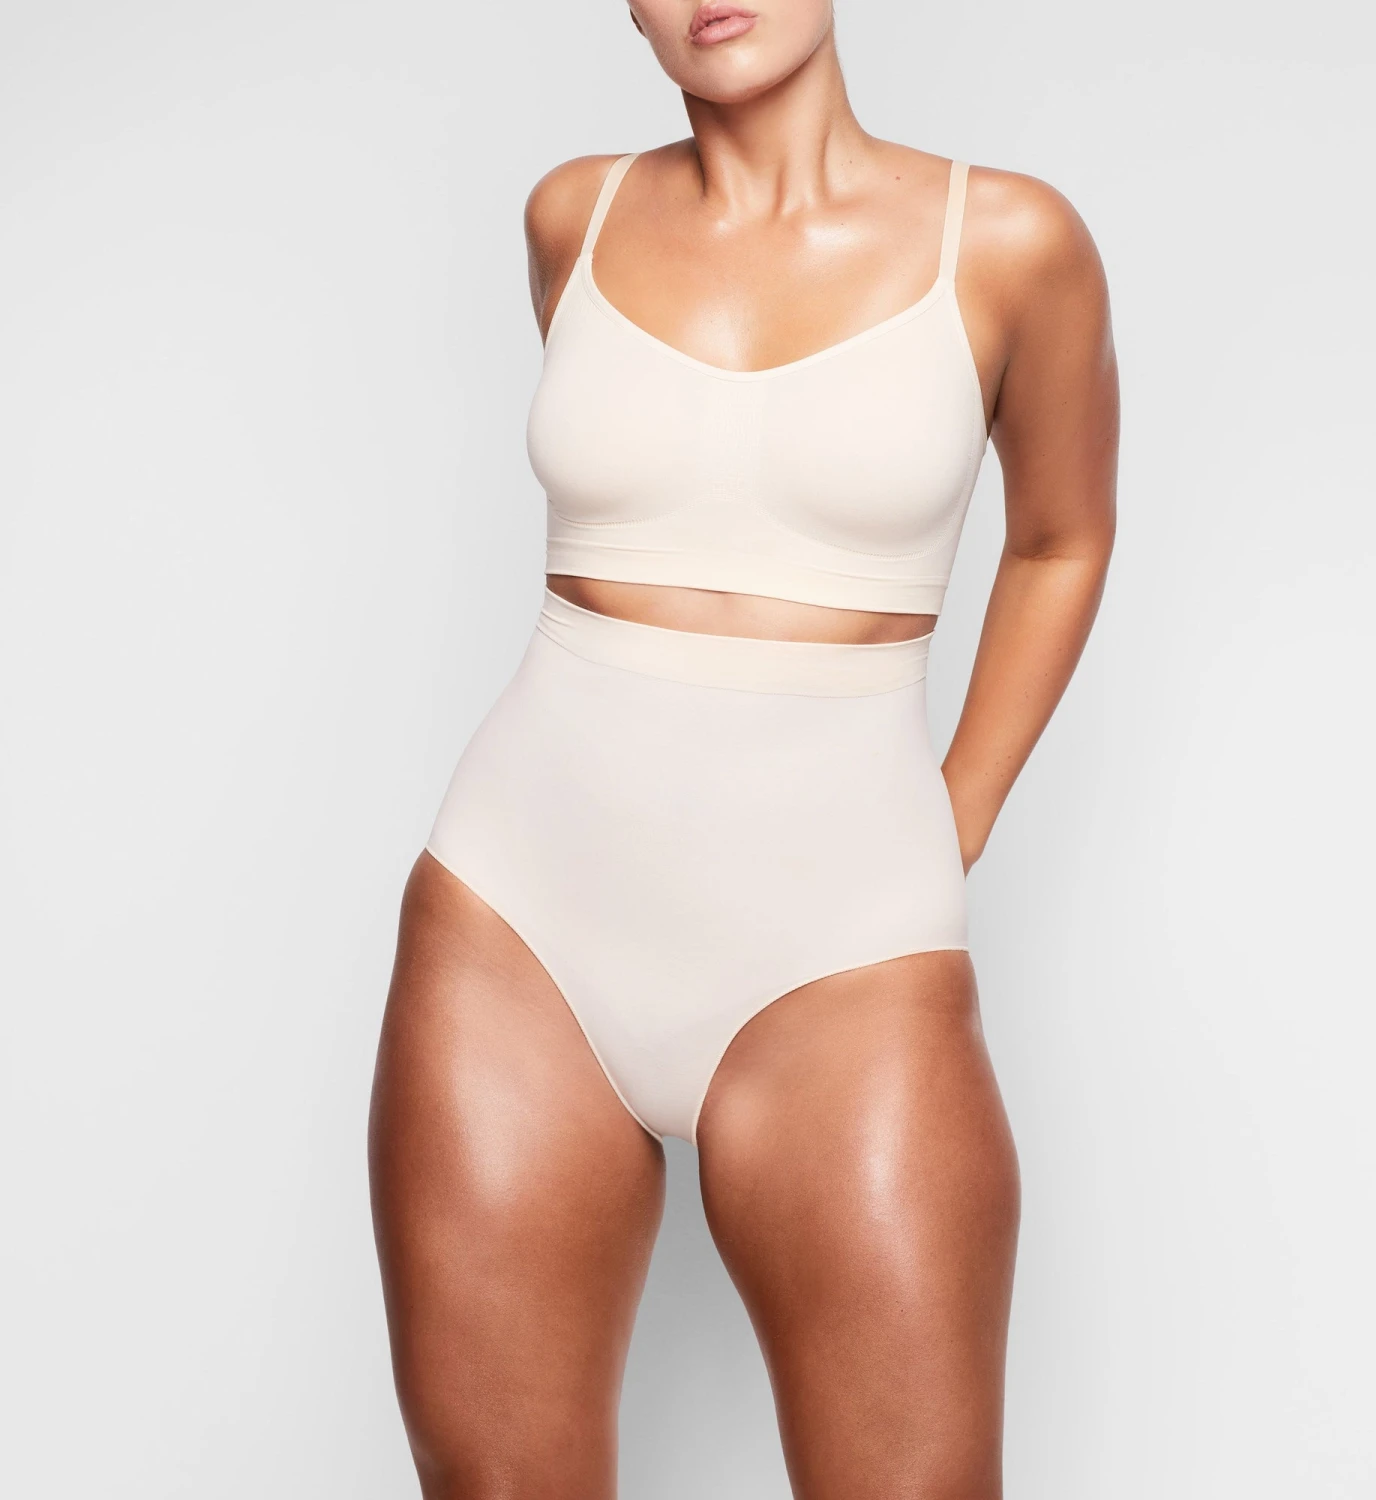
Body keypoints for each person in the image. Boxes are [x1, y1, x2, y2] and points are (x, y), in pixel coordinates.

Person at [368, 3, 1118, 1495]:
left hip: (839, 950)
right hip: (519, 918)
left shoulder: (1009, 240)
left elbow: (1060, 539)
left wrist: (949, 818)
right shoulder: (573, 216)